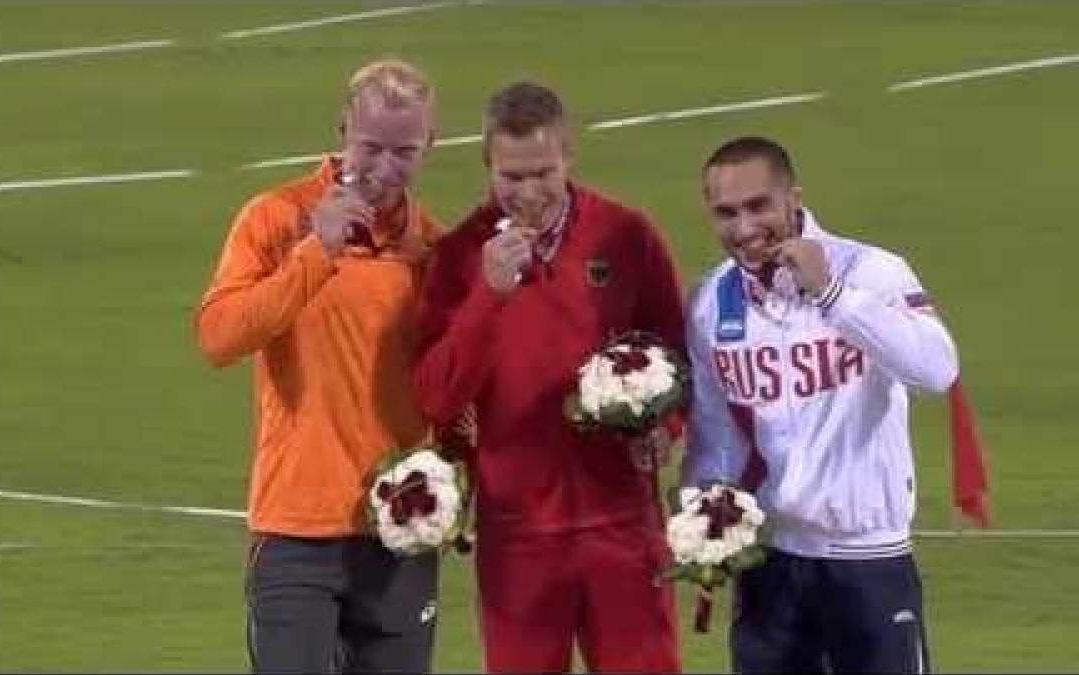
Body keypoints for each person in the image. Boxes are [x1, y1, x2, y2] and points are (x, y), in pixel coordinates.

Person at [412, 81, 685, 673]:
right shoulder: (459, 258)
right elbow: (437, 396)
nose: (529, 193)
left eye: (543, 172)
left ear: (568, 156)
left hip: (623, 525)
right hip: (518, 538)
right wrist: (488, 295)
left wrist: (668, 426)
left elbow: (677, 352)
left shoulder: (626, 236)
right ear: (487, 164)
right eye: (511, 178)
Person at [682, 135, 973, 673]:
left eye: (758, 206)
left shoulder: (872, 271)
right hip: (770, 563)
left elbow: (937, 369)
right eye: (726, 212)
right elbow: (716, 430)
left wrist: (834, 295)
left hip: (869, 558)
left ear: (794, 198)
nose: (744, 228)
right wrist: (703, 512)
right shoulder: (710, 301)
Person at [194, 59, 443, 674]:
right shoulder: (274, 218)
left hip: (400, 530)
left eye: (404, 152)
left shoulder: (433, 247)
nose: (385, 169)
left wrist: (458, 485)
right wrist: (315, 252)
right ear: (341, 131)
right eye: (370, 147)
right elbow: (218, 337)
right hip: (295, 529)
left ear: (430, 146)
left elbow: (451, 386)